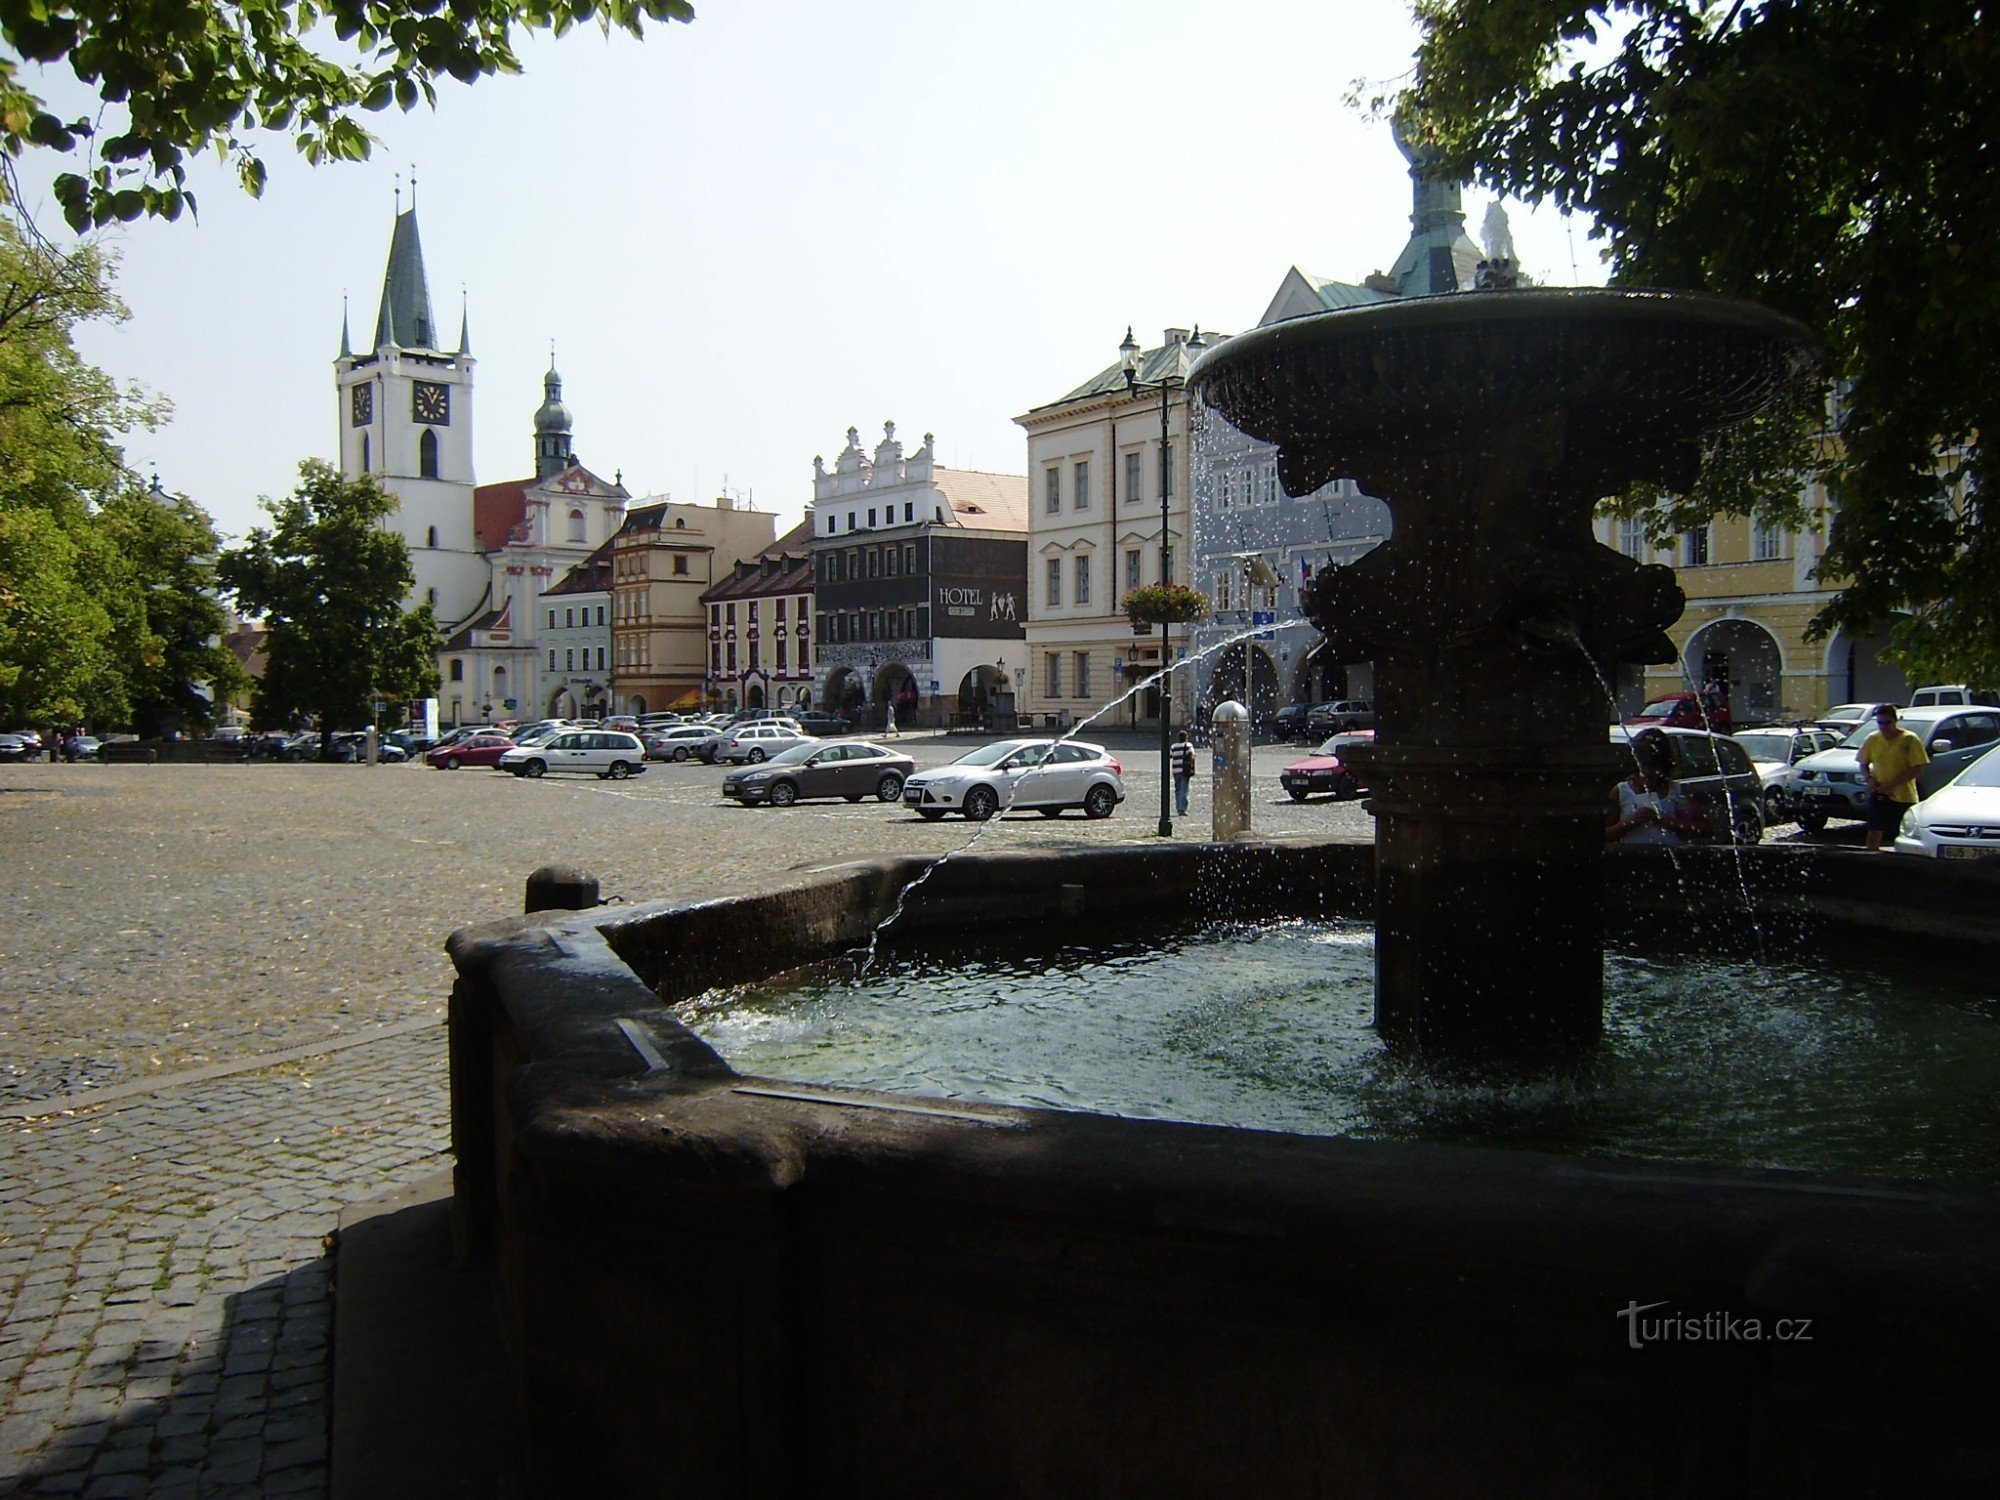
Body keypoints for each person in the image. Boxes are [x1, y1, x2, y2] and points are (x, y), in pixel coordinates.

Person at [1606, 730, 1709, 844]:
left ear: (1665, 766)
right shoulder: (1621, 791)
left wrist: (1670, 821)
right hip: (1633, 858)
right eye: (1642, 766)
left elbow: (1706, 829)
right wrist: (1631, 822)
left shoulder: (1677, 791)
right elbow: (1604, 834)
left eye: (1654, 766)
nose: (1646, 772)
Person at [1858, 703, 1929, 851]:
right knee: (1874, 830)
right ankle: (1871, 860)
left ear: (1895, 721)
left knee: (1902, 833)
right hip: (1879, 793)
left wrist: (1894, 784)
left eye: (1887, 722)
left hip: (1903, 796)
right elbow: (1863, 763)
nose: (1884, 727)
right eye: (1880, 723)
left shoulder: (1909, 739)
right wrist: (1869, 779)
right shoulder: (1873, 739)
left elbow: (1918, 767)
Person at [1171, 728, 1197, 817]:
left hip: (1175, 770)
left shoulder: (1174, 746)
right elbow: (1192, 756)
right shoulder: (1188, 745)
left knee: (1177, 790)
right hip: (1184, 770)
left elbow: (1170, 756)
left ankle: (1178, 808)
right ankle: (1182, 809)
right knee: (1184, 790)